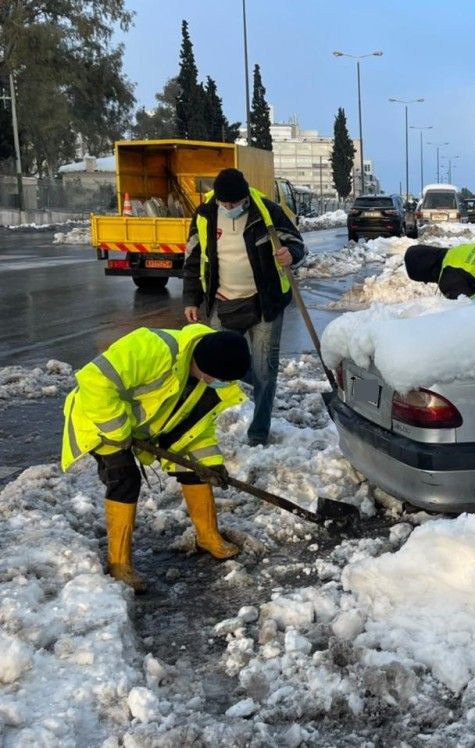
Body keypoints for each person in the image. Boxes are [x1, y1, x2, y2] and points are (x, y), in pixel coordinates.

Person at [61, 325, 252, 592]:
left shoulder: (204, 377)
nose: (216, 383)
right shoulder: (153, 348)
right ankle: (119, 563)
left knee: (194, 471)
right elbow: (93, 378)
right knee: (125, 478)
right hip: (100, 417)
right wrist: (116, 430)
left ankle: (208, 537)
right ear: (204, 365)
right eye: (215, 377)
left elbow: (197, 429)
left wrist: (210, 465)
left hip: (142, 427)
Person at [182, 167, 306, 447]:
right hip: (222, 304)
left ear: (245, 197)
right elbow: (192, 259)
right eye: (224, 203)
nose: (229, 207)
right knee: (214, 367)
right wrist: (191, 299)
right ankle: (205, 424)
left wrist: (292, 254)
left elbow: (297, 243)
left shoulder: (267, 211)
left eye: (235, 203)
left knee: (265, 371)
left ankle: (258, 432)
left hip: (264, 304)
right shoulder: (205, 215)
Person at [404, 242, 475, 299]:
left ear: (425, 272)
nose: (425, 282)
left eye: (423, 279)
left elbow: (466, 311)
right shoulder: (459, 250)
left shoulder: (448, 281)